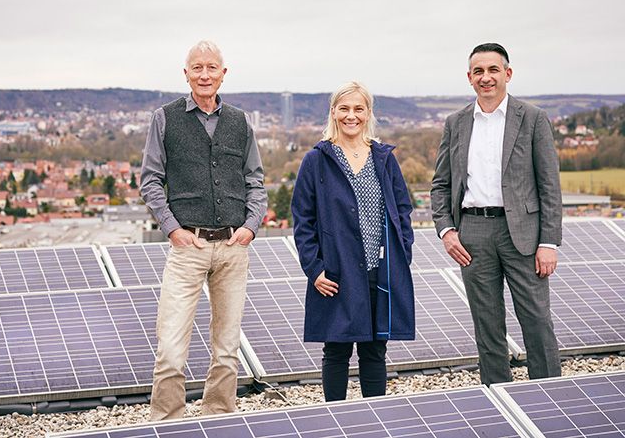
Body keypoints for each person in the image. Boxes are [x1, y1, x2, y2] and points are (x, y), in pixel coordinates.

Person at [140, 40, 267, 420]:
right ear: (186, 74)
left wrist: (250, 225)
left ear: (223, 74)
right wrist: (172, 228)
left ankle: (219, 418)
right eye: (197, 68)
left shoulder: (240, 121)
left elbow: (255, 180)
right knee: (171, 351)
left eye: (212, 67)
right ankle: (167, 423)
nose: (205, 74)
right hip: (188, 246)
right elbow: (150, 180)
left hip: (233, 246)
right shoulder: (165, 118)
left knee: (227, 348)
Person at [430, 43, 562, 386]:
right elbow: (440, 184)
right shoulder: (456, 122)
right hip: (472, 234)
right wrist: (446, 230)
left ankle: (550, 396)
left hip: (525, 234)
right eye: (478, 72)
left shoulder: (532, 118)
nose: (485, 77)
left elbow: (549, 185)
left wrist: (549, 241)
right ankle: (499, 396)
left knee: (536, 320)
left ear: (508, 73)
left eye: (492, 70)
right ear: (470, 78)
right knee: (487, 325)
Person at [291, 81, 415, 401]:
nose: (351, 116)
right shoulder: (317, 160)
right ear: (333, 112)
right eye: (344, 109)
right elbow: (302, 221)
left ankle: (374, 422)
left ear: (368, 113)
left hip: (379, 272)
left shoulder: (384, 158)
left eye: (358, 109)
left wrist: (403, 255)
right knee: (337, 352)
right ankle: (336, 422)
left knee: (374, 353)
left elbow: (403, 211)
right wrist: (314, 269)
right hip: (336, 273)